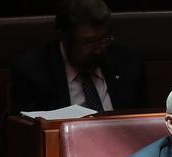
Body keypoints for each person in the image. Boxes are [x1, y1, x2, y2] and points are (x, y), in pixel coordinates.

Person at [9, 0, 146, 114]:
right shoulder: (33, 72)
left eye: (104, 39)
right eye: (89, 43)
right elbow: (28, 134)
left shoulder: (128, 64)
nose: (98, 50)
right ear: (64, 37)